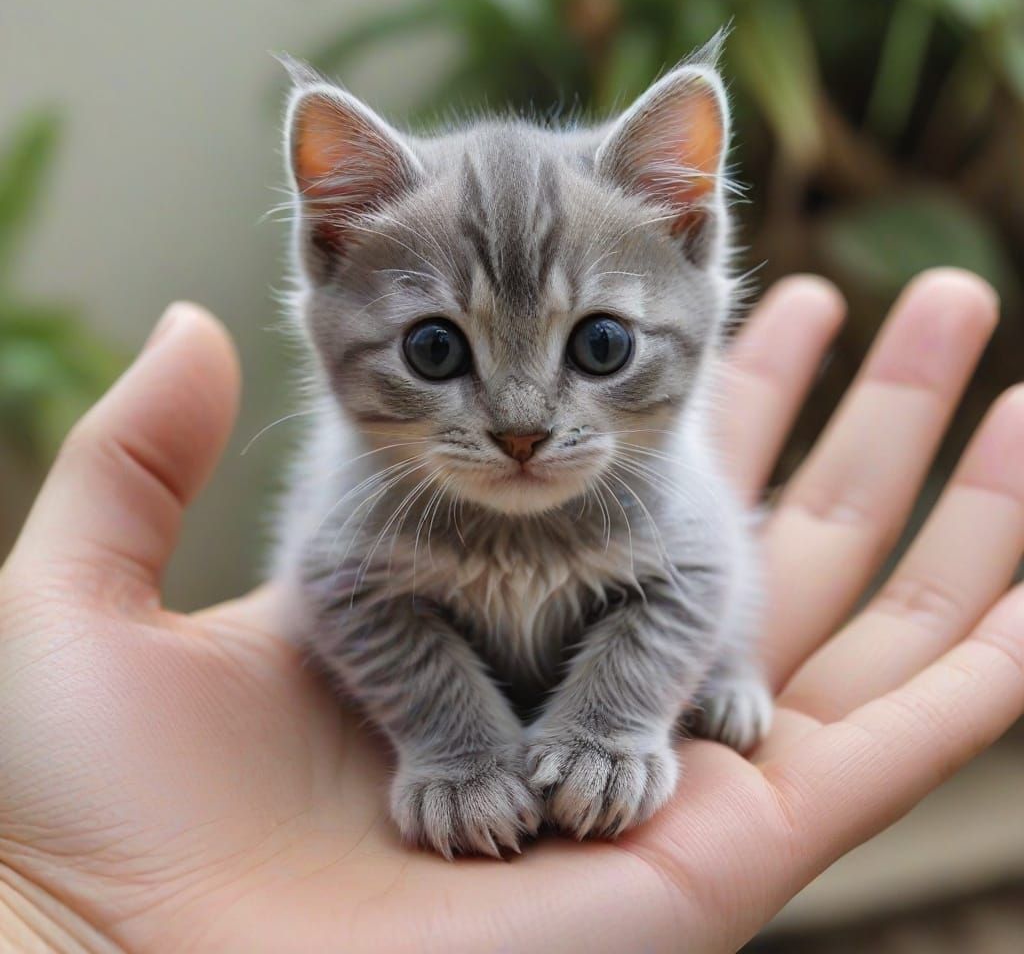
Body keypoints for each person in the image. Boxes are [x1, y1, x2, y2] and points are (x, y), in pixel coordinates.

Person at [1, 269, 1021, 954]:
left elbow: (691, 573)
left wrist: (619, 717)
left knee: (703, 572)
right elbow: (344, 595)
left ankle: (684, 687)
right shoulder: (374, 510)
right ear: (333, 258)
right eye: (440, 351)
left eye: (600, 343)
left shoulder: (649, 488)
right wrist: (449, 744)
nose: (524, 423)